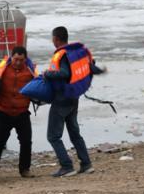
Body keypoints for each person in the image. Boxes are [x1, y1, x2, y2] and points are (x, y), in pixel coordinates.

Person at [43, 26, 105, 177]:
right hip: (74, 98)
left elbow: (65, 73)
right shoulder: (76, 52)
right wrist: (101, 70)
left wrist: (48, 74)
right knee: (74, 133)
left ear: (56, 39)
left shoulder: (63, 55)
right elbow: (90, 68)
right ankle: (86, 164)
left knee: (53, 136)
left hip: (62, 99)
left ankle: (67, 166)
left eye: (53, 38)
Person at [0, 46, 38, 178]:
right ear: (11, 57)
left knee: (26, 142)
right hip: (4, 111)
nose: (18, 62)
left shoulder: (31, 71)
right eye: (16, 59)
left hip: (22, 112)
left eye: (21, 60)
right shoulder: (2, 68)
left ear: (25, 59)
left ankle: (24, 169)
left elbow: (39, 85)